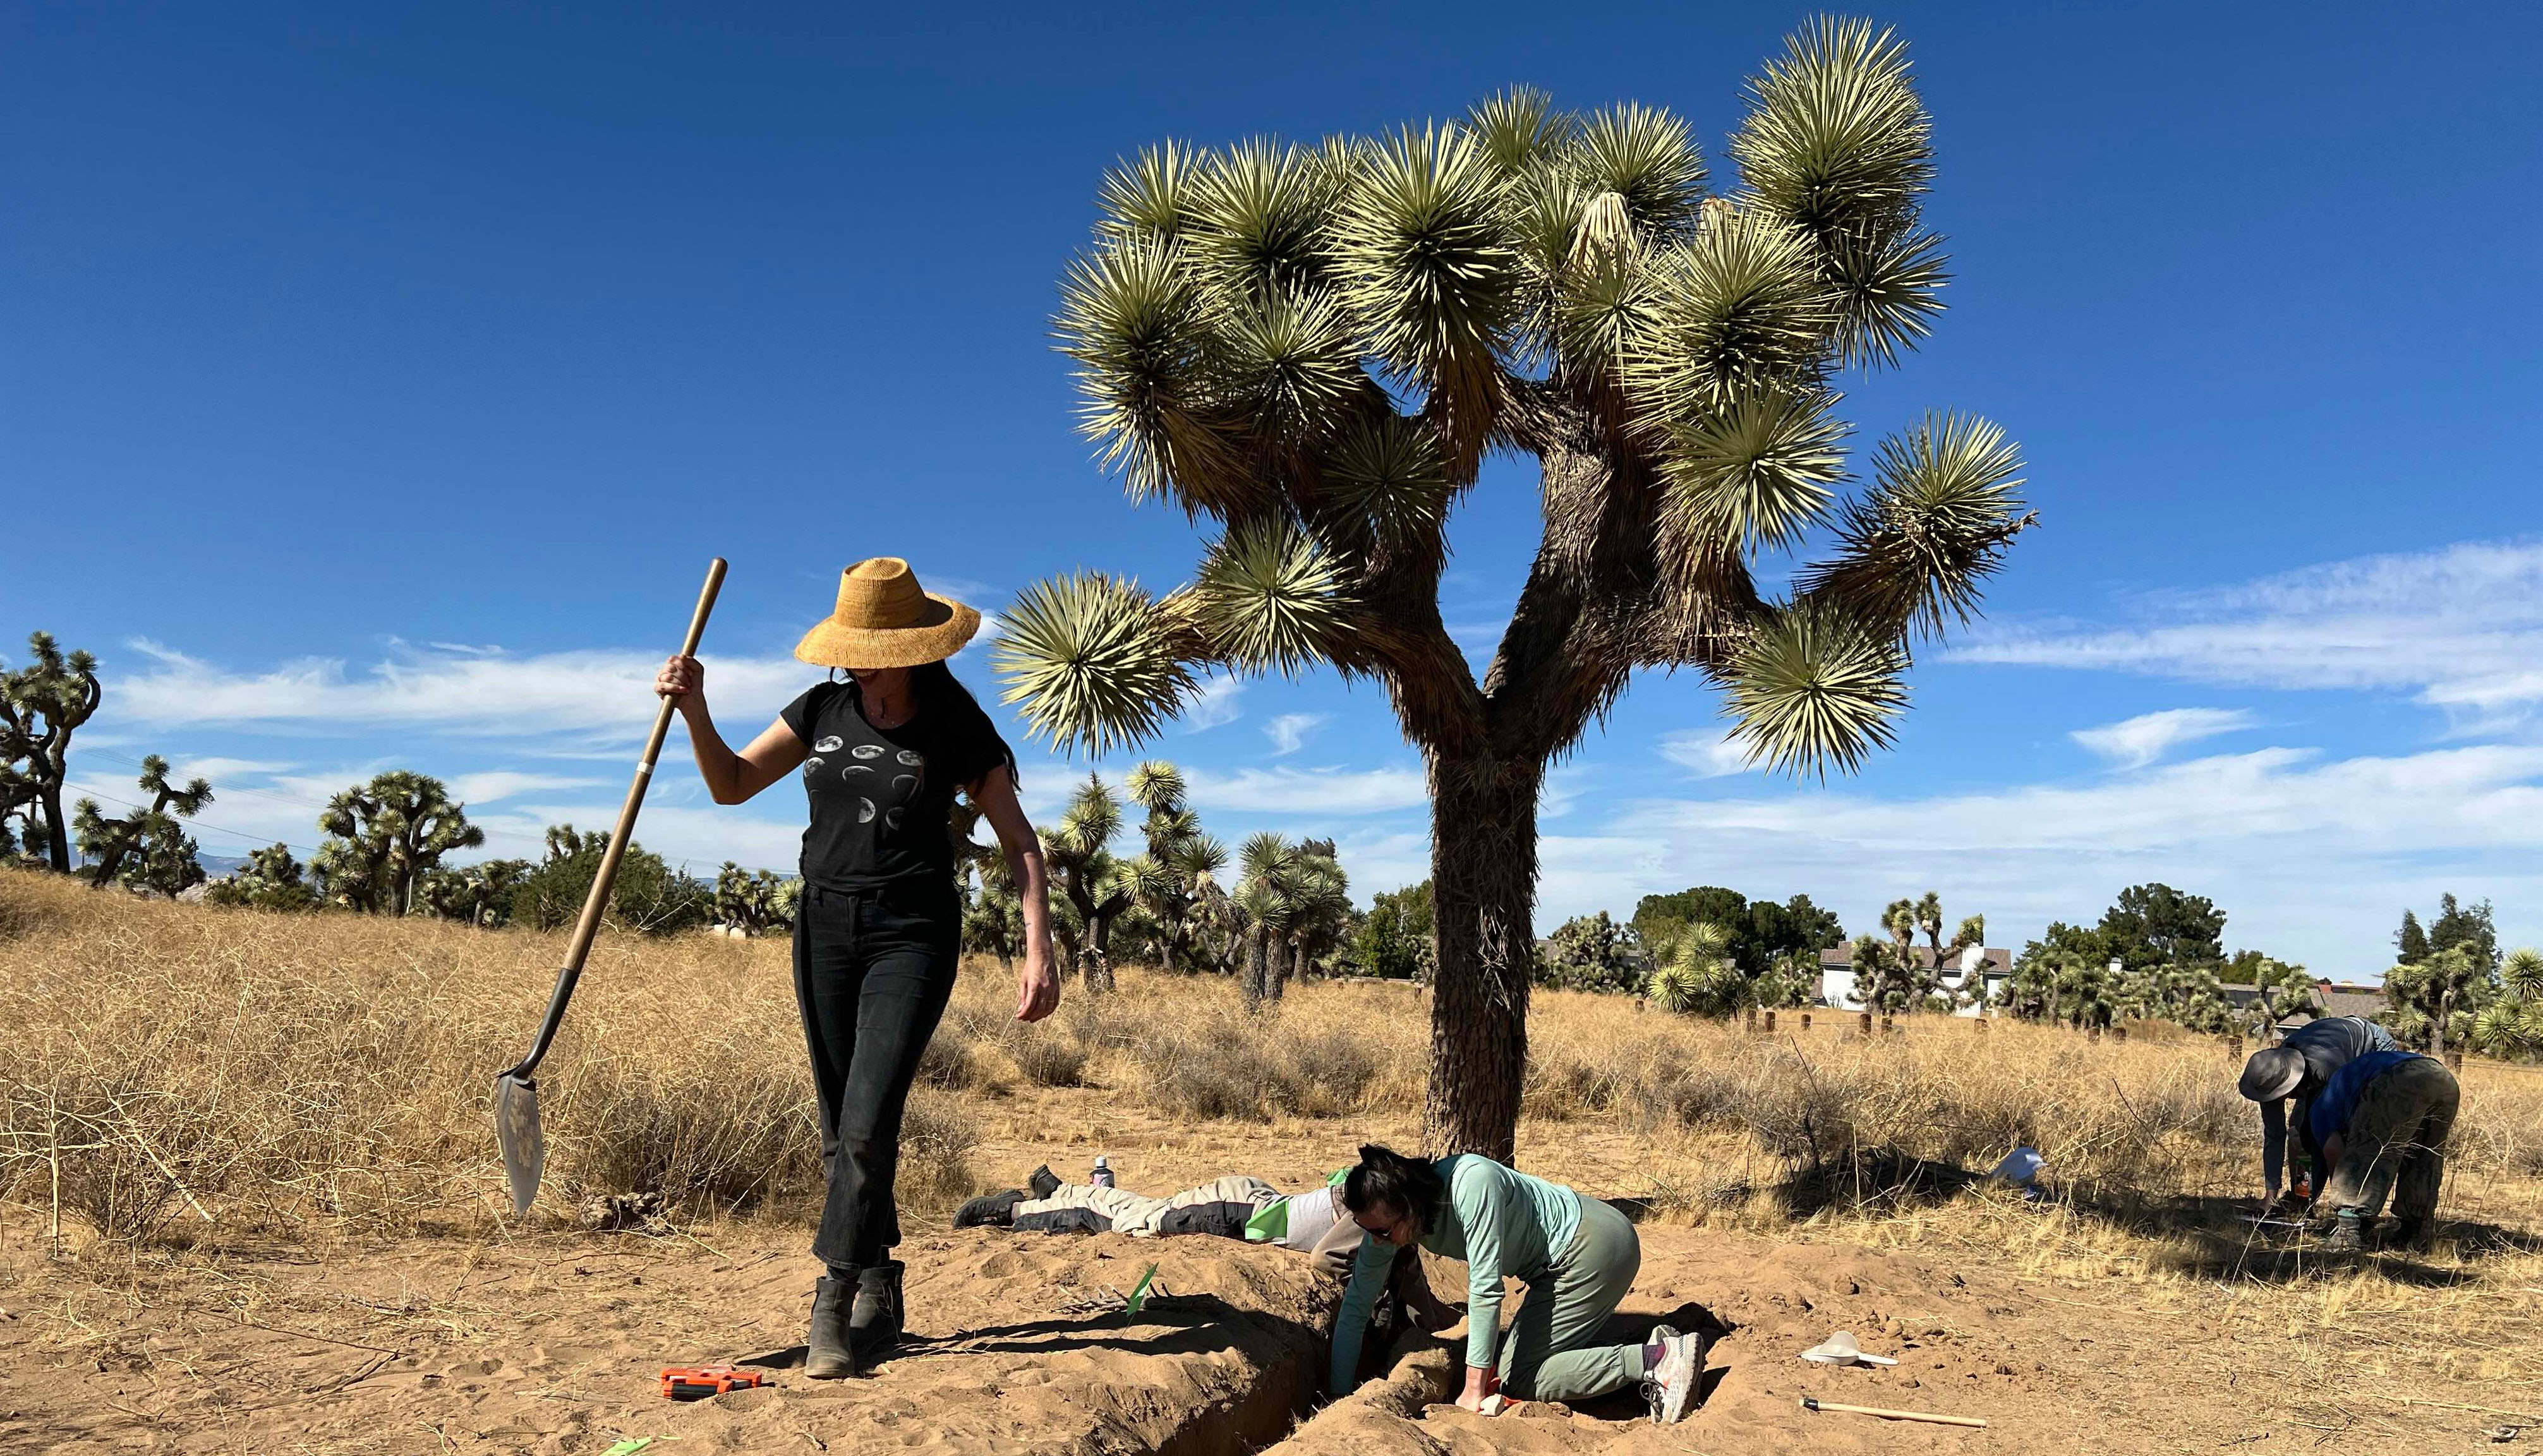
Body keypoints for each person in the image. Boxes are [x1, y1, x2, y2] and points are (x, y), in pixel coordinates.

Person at [656, 557, 1060, 1380]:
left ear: (913, 646)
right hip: (823, 926)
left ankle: (834, 1300)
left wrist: (1039, 947)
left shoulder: (956, 727)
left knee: (869, 1121)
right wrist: (696, 711)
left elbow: (1021, 844)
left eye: (870, 642)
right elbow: (732, 784)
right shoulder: (822, 708)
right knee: (842, 1128)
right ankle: (881, 1281)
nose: (854, 656)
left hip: (911, 932)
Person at [958, 1162, 1458, 1381]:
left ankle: (1058, 1187)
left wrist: (1435, 1321)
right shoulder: (1371, 1219)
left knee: (1141, 1209)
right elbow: (1325, 1260)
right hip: (1237, 1213)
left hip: (1248, 1202)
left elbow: (1417, 1293)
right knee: (1135, 1223)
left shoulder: (1386, 1209)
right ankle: (1014, 1211)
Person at [1331, 1145, 1708, 1425]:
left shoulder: (1471, 1183)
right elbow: (1356, 1305)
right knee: (1515, 1366)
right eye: (1367, 1231)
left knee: (1519, 1378)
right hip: (1558, 1266)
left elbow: (1485, 1289)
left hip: (1592, 1247)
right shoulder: (1385, 1227)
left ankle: (1658, 1360)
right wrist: (1338, 1394)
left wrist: (1474, 1389)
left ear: (1408, 1203)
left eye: (1382, 1231)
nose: (1377, 1241)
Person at [2235, 1014, 2398, 1213]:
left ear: (2289, 1084)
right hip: (2322, 1055)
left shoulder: (2326, 1068)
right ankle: (2303, 1197)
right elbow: (2274, 1136)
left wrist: (2340, 1200)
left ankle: (2350, 1207)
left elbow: (2336, 1130)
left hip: (2371, 1045)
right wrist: (2271, 1196)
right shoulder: (2267, 1076)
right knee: (2300, 1132)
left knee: (2343, 1132)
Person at [2306, 1047, 2460, 1251]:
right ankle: (2415, 1232)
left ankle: (2348, 1232)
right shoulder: (2341, 1088)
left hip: (2400, 1079)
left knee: (2368, 1149)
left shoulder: (2318, 1112)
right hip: (2443, 1079)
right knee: (2423, 1156)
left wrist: (2346, 1201)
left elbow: (2337, 1157)